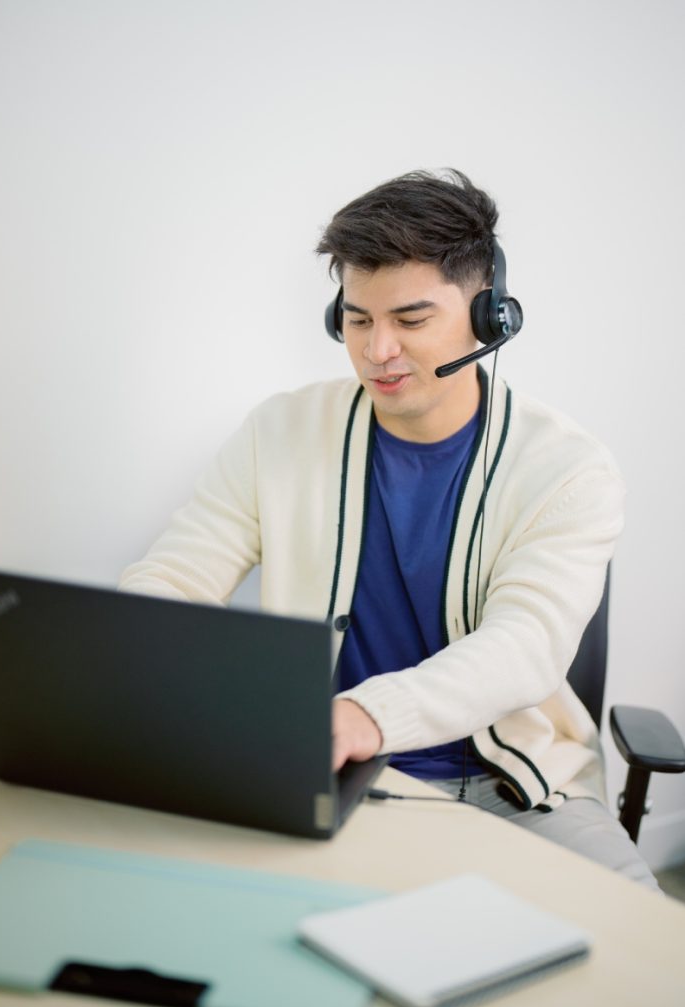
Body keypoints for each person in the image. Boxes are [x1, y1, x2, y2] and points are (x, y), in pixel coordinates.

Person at [120, 169, 659, 890]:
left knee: (644, 958)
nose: (377, 351)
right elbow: (172, 580)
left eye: (409, 321)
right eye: (356, 319)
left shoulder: (567, 469)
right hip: (326, 774)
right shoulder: (280, 431)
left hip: (517, 792)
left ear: (488, 317)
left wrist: (365, 716)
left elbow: (524, 646)